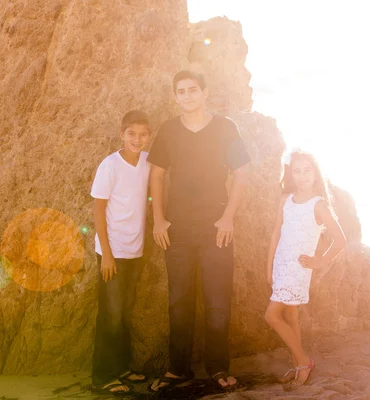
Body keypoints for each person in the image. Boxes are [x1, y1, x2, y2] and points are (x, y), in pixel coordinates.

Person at [148, 70, 250, 392]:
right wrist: (159, 219)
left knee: (217, 301)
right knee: (179, 301)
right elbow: (157, 177)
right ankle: (179, 369)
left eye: (193, 90)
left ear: (205, 93)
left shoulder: (225, 127)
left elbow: (243, 174)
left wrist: (228, 218)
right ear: (175, 96)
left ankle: (218, 367)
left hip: (215, 228)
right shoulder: (168, 131)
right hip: (176, 229)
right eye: (181, 91)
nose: (187, 95)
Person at [264, 149, 347, 386]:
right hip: (281, 263)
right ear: (290, 173)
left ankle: (303, 360)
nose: (301, 176)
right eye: (296, 171)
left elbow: (340, 239)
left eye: (307, 170)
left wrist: (319, 262)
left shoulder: (318, 205)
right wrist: (268, 265)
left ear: (315, 173)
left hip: (298, 269)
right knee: (290, 315)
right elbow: (275, 233)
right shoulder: (285, 200)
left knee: (271, 315)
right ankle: (297, 365)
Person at [90, 110, 152, 395]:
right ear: (122, 134)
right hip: (111, 252)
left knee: (125, 313)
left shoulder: (147, 163)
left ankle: (122, 368)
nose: (136, 139)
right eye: (131, 134)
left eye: (142, 134)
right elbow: (98, 209)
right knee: (111, 315)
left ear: (148, 136)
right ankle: (102, 376)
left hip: (135, 251)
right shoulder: (109, 165)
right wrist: (107, 254)